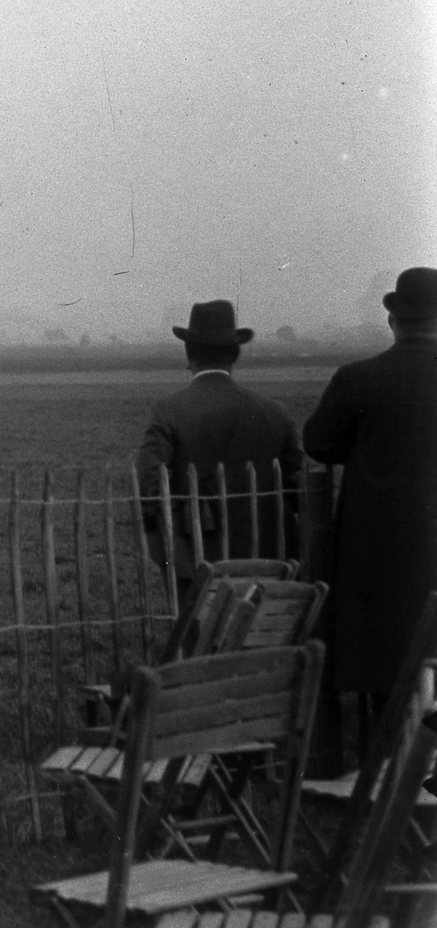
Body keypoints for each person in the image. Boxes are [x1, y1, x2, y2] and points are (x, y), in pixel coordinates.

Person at [303, 267, 437, 709]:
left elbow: (319, 442)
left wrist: (370, 452)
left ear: (393, 322)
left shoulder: (358, 377)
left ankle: (387, 765)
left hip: (379, 552)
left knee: (389, 668)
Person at [133, 301, 302, 602]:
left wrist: (162, 545)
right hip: (268, 558)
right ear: (235, 354)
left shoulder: (169, 411)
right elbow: (299, 489)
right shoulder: (276, 413)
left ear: (189, 354)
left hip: (195, 562)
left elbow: (149, 482)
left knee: (199, 640)